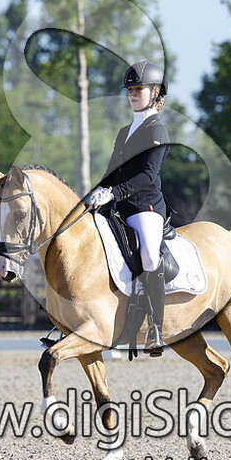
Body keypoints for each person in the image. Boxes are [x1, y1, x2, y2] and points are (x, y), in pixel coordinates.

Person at [84, 60, 170, 357]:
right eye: (130, 90)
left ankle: (156, 327)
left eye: (139, 89)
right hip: (118, 206)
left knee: (149, 254)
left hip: (146, 207)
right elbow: (112, 172)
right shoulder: (124, 132)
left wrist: (113, 193)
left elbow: (147, 175)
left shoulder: (156, 130)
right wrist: (94, 194)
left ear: (155, 92)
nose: (132, 94)